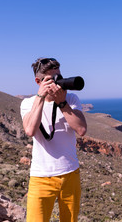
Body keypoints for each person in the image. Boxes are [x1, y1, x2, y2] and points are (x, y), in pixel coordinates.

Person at [20, 57, 87, 222]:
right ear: (38, 81)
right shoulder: (28, 104)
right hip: (41, 177)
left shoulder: (70, 99)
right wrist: (41, 98)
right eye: (51, 78)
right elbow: (30, 130)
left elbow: (81, 129)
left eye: (59, 76)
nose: (57, 82)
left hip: (70, 174)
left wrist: (62, 103)